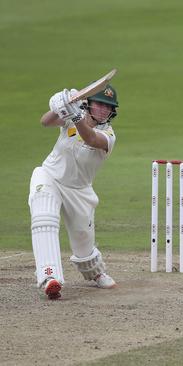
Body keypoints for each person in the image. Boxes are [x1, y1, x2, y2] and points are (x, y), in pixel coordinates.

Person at [30, 84, 119, 300]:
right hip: (50, 176)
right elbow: (45, 122)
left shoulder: (108, 135)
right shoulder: (72, 116)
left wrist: (76, 115)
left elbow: (90, 138)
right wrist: (61, 104)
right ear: (89, 104)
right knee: (44, 217)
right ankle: (49, 277)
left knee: (83, 243)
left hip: (79, 191)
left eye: (107, 107)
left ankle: (95, 272)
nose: (102, 110)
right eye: (98, 104)